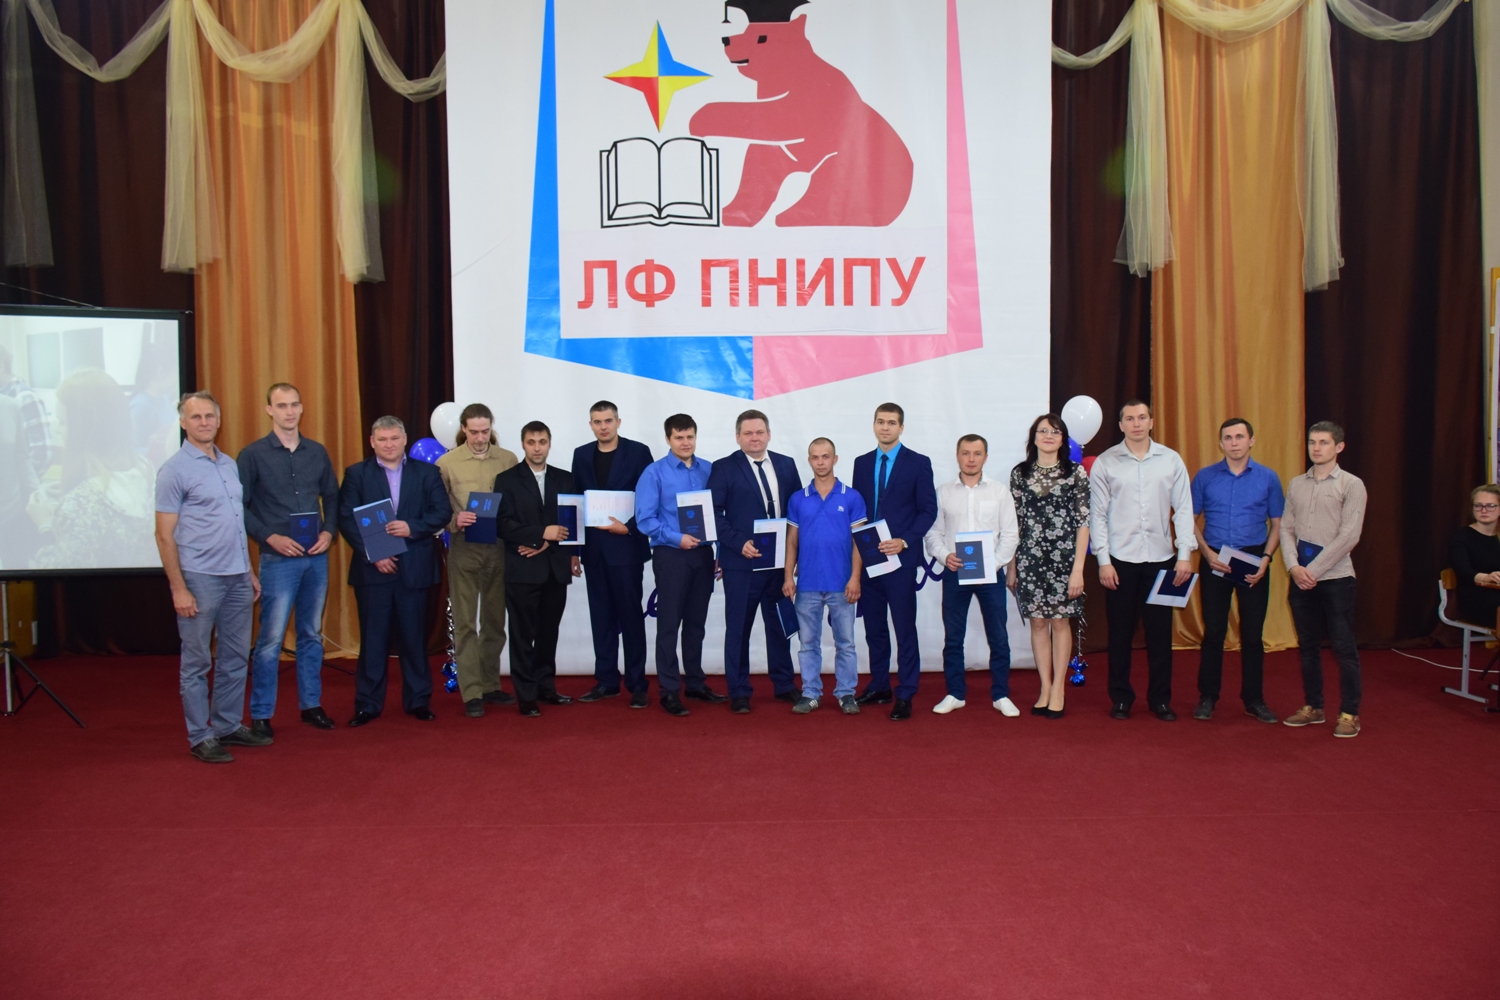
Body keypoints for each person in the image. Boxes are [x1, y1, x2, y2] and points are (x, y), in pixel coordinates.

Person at [153, 391, 267, 764]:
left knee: (235, 657)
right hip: (200, 579)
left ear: (218, 420)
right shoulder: (173, 470)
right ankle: (200, 735)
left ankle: (227, 725)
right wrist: (178, 588)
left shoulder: (228, 464)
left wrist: (249, 570)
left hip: (237, 577)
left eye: (209, 416)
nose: (204, 422)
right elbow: (164, 535)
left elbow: (236, 524)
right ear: (183, 422)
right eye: (196, 416)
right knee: (197, 662)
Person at [236, 383, 340, 735]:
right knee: (270, 640)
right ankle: (261, 713)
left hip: (316, 557)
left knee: (311, 633)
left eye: (294, 404)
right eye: (282, 406)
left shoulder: (317, 452)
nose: (289, 411)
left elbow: (333, 497)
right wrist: (270, 537)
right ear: (269, 410)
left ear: (301, 408)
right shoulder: (252, 455)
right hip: (277, 560)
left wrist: (329, 532)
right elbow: (240, 507)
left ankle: (311, 705)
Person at [339, 416, 452, 727]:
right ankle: (367, 704)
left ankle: (418, 700)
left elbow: (442, 512)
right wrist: (373, 554)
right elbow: (346, 518)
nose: (388, 444)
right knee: (373, 641)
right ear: (372, 442)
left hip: (414, 569)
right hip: (373, 571)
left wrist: (411, 527)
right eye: (382, 439)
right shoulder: (357, 474)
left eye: (394, 438)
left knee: (414, 639)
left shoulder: (427, 473)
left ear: (404, 440)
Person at [1090, 400, 1195, 721]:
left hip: (1162, 560)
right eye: (1129, 419)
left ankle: (1160, 700)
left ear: (1151, 421)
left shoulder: (1171, 460)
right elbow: (1097, 515)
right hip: (1119, 561)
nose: (1136, 423)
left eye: (1142, 417)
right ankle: (1121, 698)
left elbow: (1184, 509)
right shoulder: (1106, 462)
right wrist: (1103, 560)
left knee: (1160, 634)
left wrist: (1184, 555)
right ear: (1120, 425)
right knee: (1120, 634)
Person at [708, 408, 803, 713]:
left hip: (779, 565)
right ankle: (738, 690)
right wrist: (738, 543)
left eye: (760, 432)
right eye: (748, 433)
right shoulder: (724, 468)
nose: (754, 438)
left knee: (780, 626)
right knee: (738, 629)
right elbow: (713, 513)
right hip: (742, 564)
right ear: (738, 437)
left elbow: (798, 514)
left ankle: (784, 684)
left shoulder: (786, 465)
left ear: (769, 434)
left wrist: (796, 556)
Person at [1190, 418, 1284, 724]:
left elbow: (1278, 524)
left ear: (1251, 440)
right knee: (1214, 632)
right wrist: (1206, 553)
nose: (1234, 442)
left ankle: (1254, 700)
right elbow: (1188, 519)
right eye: (1228, 438)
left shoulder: (1268, 478)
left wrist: (1266, 558)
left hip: (1254, 560)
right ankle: (1208, 697)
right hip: (1215, 559)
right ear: (1221, 443)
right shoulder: (1205, 477)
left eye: (1240, 437)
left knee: (1253, 635)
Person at [635, 413, 726, 716]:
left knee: (696, 624)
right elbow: (645, 519)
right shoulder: (654, 473)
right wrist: (677, 538)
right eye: (679, 437)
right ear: (668, 439)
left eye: (690, 437)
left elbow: (719, 515)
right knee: (669, 625)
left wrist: (720, 552)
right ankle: (669, 691)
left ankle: (696, 683)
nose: (685, 442)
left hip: (703, 555)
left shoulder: (709, 470)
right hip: (671, 555)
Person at [1281, 421, 1367, 739]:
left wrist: (1313, 571)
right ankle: (1314, 707)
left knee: (1343, 648)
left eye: (1324, 442)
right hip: (1300, 578)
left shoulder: (1351, 485)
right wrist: (1293, 567)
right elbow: (1286, 528)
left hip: (1336, 579)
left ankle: (1350, 713)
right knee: (1307, 647)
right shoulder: (1296, 484)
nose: (1316, 448)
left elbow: (1349, 536)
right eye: (1312, 442)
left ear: (1339, 447)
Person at [851, 403, 937, 721]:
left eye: (891, 422)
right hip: (869, 557)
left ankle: (905, 692)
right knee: (874, 627)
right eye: (880, 422)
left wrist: (904, 541)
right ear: (873, 425)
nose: (885, 427)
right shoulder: (861, 463)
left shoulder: (918, 463)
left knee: (903, 628)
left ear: (901, 427)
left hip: (900, 558)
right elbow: (859, 512)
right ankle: (879, 685)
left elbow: (928, 510)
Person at [925, 434, 1020, 717]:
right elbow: (932, 534)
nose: (971, 459)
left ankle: (1001, 694)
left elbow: (1011, 534)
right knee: (954, 637)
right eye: (965, 453)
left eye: (977, 453)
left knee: (998, 636)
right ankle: (955, 693)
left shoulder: (999, 492)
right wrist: (945, 556)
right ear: (957, 455)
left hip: (992, 575)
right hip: (955, 572)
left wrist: (995, 563)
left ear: (985, 457)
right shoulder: (943, 492)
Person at [436, 403, 520, 717]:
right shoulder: (447, 463)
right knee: (465, 622)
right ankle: (471, 691)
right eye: (474, 432)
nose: (480, 437)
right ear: (463, 429)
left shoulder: (508, 459)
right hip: (464, 548)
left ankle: (490, 684)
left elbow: (517, 502)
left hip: (499, 547)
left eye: (485, 431)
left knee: (495, 621)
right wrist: (454, 521)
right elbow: (437, 508)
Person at [570, 401, 654, 707]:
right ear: (590, 425)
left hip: (626, 549)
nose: (603, 426)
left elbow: (649, 497)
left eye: (608, 420)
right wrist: (574, 550)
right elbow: (576, 503)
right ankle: (606, 681)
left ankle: (637, 684)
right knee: (601, 618)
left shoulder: (638, 452)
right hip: (594, 551)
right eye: (597, 422)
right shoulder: (581, 455)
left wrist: (629, 528)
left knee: (631, 618)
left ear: (618, 421)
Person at [30, 368, 156, 570]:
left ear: (84, 430)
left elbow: (56, 572)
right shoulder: (147, 471)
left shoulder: (81, 504)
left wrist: (45, 525)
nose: (57, 429)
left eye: (62, 422)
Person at [496, 421, 581, 716]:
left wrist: (548, 543)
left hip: (555, 568)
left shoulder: (565, 479)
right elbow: (503, 524)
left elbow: (571, 523)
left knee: (548, 633)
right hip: (521, 569)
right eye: (531, 442)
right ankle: (526, 695)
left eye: (542, 442)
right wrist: (541, 534)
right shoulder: (506, 480)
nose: (536, 448)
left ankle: (546, 687)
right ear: (523, 444)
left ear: (549, 443)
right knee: (522, 635)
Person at [1008, 413, 1090, 718]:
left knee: (1059, 622)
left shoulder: (1075, 472)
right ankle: (1044, 686)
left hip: (1065, 561)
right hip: (1029, 559)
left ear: (1063, 438)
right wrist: (1012, 566)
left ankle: (1059, 689)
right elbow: (1014, 523)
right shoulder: (1020, 473)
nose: (1049, 435)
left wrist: (1078, 569)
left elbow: (1083, 523)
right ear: (1034, 437)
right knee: (1038, 623)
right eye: (1043, 430)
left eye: (1055, 431)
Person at [783, 437, 865, 714]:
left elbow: (859, 541)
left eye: (825, 456)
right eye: (815, 457)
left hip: (842, 584)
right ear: (809, 460)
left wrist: (855, 578)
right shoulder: (798, 498)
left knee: (846, 643)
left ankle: (846, 693)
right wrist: (788, 576)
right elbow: (791, 540)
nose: (820, 462)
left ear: (835, 459)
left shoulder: (851, 497)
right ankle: (810, 693)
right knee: (807, 644)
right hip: (807, 584)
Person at [1449, 484, 1500, 627]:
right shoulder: (1460, 537)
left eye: (1490, 506)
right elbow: (1463, 570)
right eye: (1478, 506)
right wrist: (1486, 577)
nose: (1484, 510)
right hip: (1476, 597)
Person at [0, 342, 51, 478]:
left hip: (16, 487)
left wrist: (21, 484)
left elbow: (42, 454)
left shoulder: (25, 399)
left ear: (1, 366)